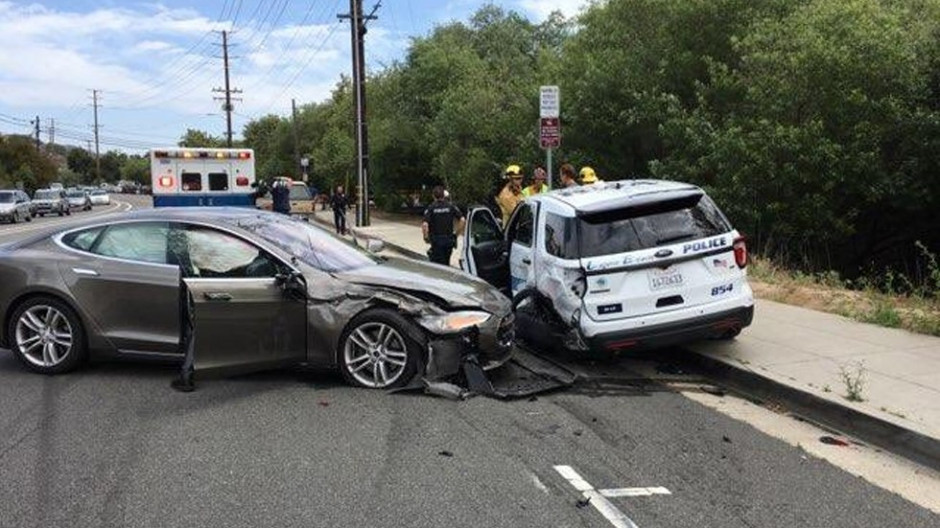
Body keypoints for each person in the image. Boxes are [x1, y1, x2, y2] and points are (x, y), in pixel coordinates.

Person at [422, 185, 465, 266]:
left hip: (436, 241)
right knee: (446, 262)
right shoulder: (451, 206)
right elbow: (462, 220)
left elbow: (425, 225)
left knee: (438, 266)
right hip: (449, 240)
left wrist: (426, 237)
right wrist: (456, 234)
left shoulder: (431, 208)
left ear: (433, 196)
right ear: (443, 195)